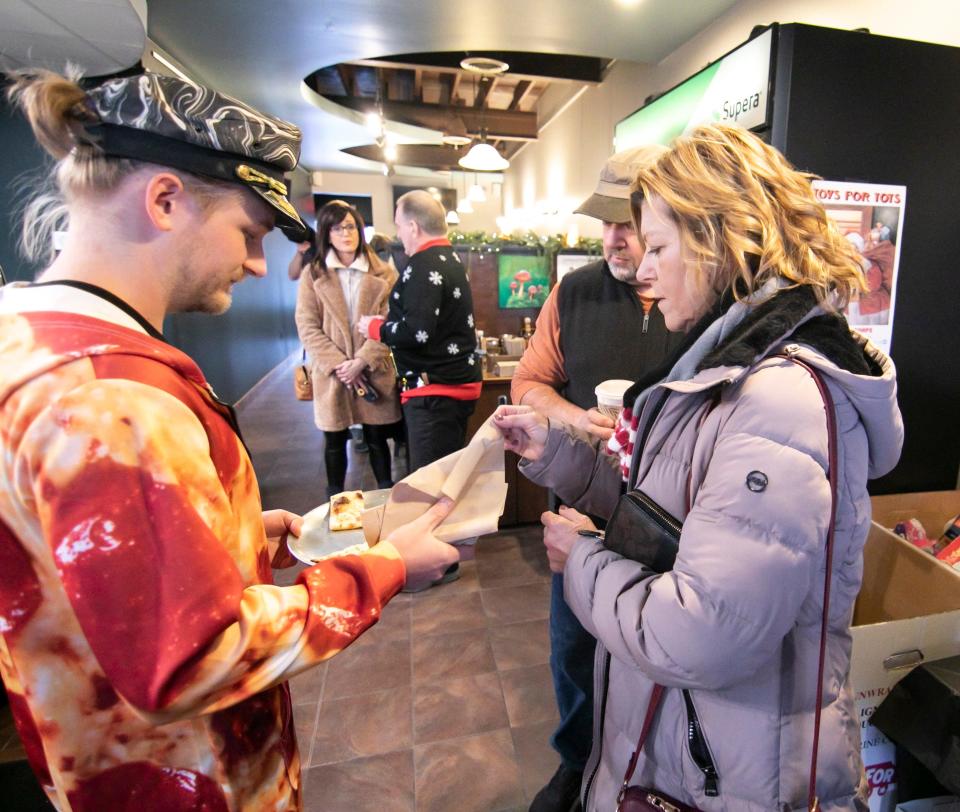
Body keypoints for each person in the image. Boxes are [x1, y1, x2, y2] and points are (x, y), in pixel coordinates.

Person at [0, 69, 459, 811]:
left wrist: (239, 531)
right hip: (189, 784)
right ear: (165, 200)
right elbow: (187, 659)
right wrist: (383, 569)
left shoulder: (25, 333)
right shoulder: (108, 397)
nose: (254, 263)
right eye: (247, 232)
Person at [494, 124, 903, 811]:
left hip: (731, 771)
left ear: (718, 240)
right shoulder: (730, 373)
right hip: (701, 750)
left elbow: (701, 635)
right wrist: (562, 458)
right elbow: (670, 514)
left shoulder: (776, 397)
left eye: (658, 247)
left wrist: (583, 560)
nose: (645, 272)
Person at [510, 145, 683, 812]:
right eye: (606, 221)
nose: (615, 235)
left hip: (667, 518)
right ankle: (576, 766)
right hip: (580, 505)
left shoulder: (698, 297)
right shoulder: (574, 291)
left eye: (629, 219)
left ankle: (647, 777)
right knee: (572, 647)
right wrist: (576, 419)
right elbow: (530, 380)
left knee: (656, 653)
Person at [357, 190, 481, 474]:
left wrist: (375, 327)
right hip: (449, 387)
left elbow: (418, 333)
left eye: (399, 226)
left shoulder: (424, 265)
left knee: (429, 486)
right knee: (445, 478)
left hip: (435, 392)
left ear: (413, 226)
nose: (398, 234)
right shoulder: (447, 257)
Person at [295, 200, 401, 497]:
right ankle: (335, 502)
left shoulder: (384, 274)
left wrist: (361, 361)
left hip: (373, 371)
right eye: (338, 227)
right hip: (333, 374)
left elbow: (390, 322)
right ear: (326, 233)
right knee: (333, 440)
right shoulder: (313, 275)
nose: (346, 233)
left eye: (351, 226)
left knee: (378, 438)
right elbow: (307, 325)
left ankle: (384, 499)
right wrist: (342, 365)